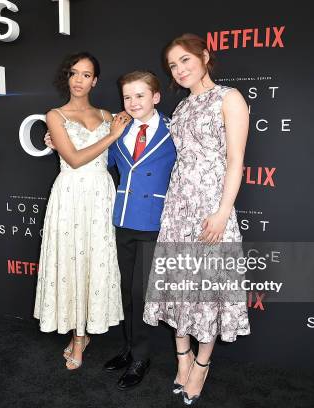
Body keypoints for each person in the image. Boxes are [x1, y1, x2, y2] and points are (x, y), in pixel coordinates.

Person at [142, 34, 250, 405]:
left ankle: (201, 365)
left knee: (205, 287)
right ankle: (182, 357)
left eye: (186, 60)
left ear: (205, 56)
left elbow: (235, 160)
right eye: (173, 65)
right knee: (179, 284)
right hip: (177, 207)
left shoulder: (229, 98)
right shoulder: (183, 108)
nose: (180, 69)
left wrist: (222, 212)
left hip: (210, 207)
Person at [33, 52, 130, 370]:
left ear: (95, 80)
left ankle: (88, 329)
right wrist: (112, 135)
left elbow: (131, 143)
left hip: (101, 195)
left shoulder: (107, 115)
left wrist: (119, 130)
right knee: (71, 260)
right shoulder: (55, 115)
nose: (79, 79)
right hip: (71, 195)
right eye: (74, 73)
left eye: (86, 74)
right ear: (67, 77)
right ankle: (77, 337)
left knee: (94, 261)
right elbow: (74, 159)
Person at [102, 71, 176, 390]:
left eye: (140, 95)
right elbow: (99, 162)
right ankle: (129, 348)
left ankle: (141, 357)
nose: (133, 102)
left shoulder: (175, 130)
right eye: (127, 97)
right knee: (124, 292)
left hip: (155, 221)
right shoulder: (117, 128)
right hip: (122, 219)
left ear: (156, 97)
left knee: (141, 293)